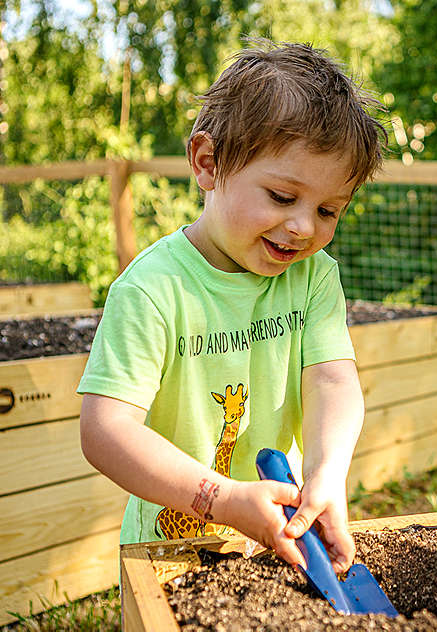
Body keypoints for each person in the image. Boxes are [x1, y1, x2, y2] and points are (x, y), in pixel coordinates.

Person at [78, 41, 386, 572]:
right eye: (283, 198)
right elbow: (106, 431)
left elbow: (332, 382)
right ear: (207, 163)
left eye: (329, 210)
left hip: (276, 539)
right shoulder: (152, 289)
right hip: (169, 550)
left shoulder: (313, 276)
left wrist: (327, 472)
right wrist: (221, 499)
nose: (305, 227)